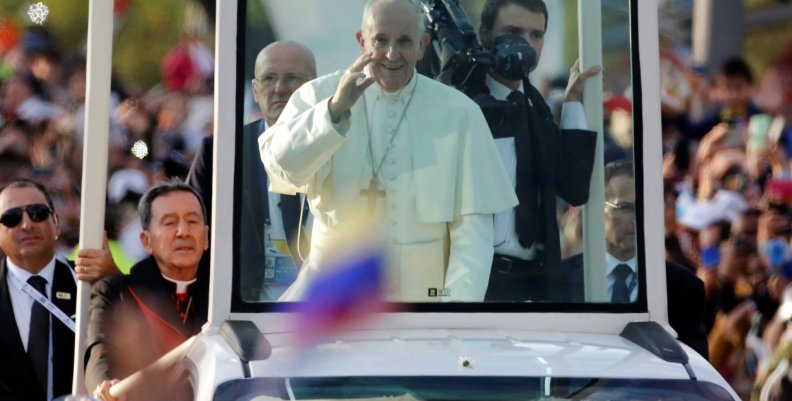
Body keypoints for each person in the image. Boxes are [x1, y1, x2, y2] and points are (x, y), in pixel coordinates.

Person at [260, 0, 517, 302]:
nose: (392, 54)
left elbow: (472, 235)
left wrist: (453, 310)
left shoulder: (460, 112)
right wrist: (333, 112)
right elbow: (281, 169)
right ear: (362, 41)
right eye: (380, 40)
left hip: (424, 302)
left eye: (404, 41)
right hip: (331, 301)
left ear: (422, 45)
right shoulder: (318, 96)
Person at [471, 0, 600, 301]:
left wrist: (572, 102)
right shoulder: (462, 104)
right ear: (485, 35)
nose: (526, 44)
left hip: (531, 284)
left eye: (536, 35)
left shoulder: (536, 110)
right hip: (476, 282)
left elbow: (575, 189)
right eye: (514, 31)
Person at [187, 40, 316, 301]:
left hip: (327, 312)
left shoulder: (341, 147)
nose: (280, 88)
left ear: (314, 86)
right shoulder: (221, 152)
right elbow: (189, 230)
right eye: (269, 79)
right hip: (245, 313)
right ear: (255, 91)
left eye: (292, 78)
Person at [562, 161, 709, 358]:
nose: (636, 218)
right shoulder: (562, 280)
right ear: (597, 210)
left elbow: (692, 366)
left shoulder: (683, 288)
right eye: (624, 207)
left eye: (643, 207)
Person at [84, 180, 209, 401]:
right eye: (170, 223)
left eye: (192, 221)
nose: (183, 231)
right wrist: (107, 382)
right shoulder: (117, 293)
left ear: (206, 237)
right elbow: (100, 350)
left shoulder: (224, 295)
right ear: (146, 241)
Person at [0, 178, 119, 401]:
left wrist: (114, 280)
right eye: (11, 218)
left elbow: (139, 333)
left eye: (38, 213)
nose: (26, 224)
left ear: (56, 223)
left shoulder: (90, 282)